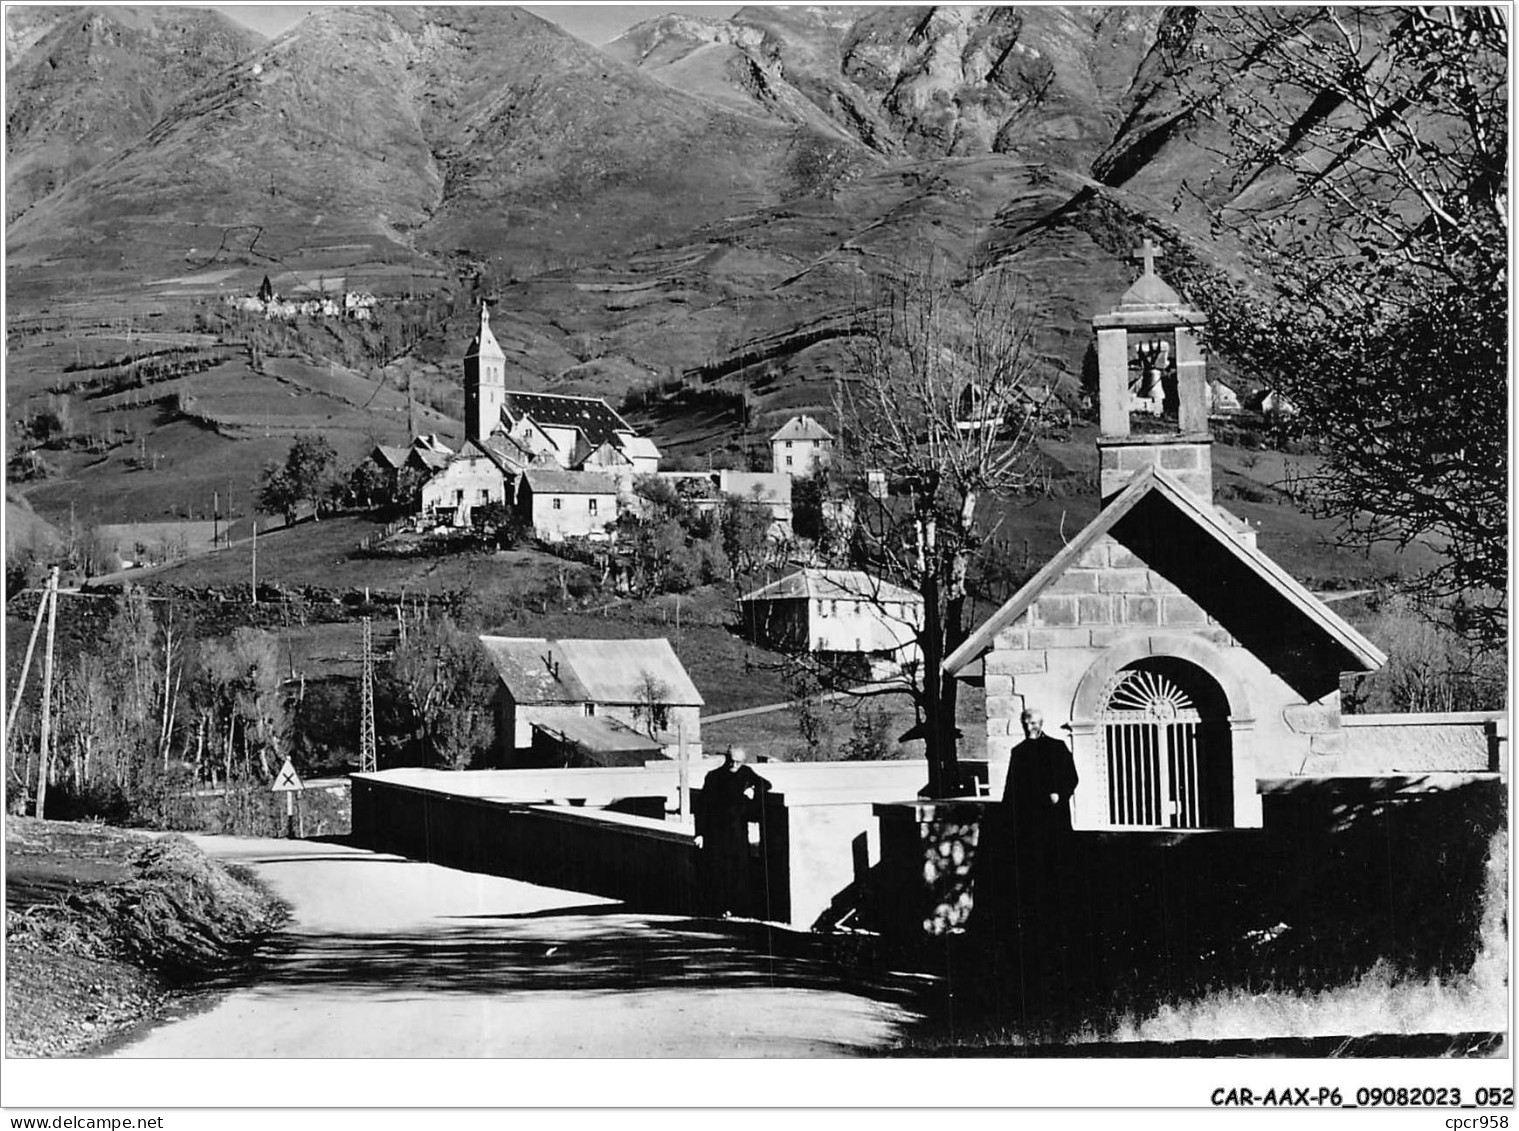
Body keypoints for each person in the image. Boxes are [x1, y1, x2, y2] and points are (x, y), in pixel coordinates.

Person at [694, 747, 771, 917]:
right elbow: (702, 807)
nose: (734, 765)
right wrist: (699, 833)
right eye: (732, 761)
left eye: (738, 762)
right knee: (718, 870)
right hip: (716, 832)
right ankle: (720, 907)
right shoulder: (714, 776)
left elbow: (766, 784)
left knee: (739, 870)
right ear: (727, 758)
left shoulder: (746, 773)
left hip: (737, 831)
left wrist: (753, 790)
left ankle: (738, 907)